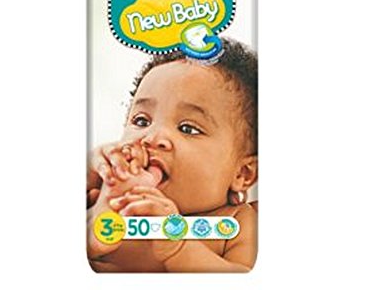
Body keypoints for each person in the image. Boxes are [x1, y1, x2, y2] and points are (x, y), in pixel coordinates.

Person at [87, 38, 258, 272]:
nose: (152, 137)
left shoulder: (237, 222)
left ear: (242, 173)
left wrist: (178, 247)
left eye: (188, 128)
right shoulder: (108, 198)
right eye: (141, 121)